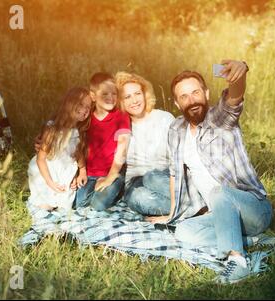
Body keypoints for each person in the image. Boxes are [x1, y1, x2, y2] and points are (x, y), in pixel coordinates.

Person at [147, 60, 273, 284]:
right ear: (176, 103)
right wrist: (172, 213)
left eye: (195, 92)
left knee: (219, 192)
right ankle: (252, 242)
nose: (191, 100)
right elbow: (176, 173)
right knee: (183, 232)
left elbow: (234, 98)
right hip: (220, 214)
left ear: (206, 93)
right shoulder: (176, 129)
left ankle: (238, 262)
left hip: (253, 210)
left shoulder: (220, 119)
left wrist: (240, 73)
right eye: (184, 96)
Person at [115, 72, 174, 216]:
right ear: (120, 102)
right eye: (127, 97)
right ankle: (190, 208)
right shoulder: (121, 128)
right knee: (138, 198)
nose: (134, 100)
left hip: (165, 177)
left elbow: (178, 156)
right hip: (135, 183)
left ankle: (183, 206)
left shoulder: (164, 119)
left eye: (137, 94)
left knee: (152, 177)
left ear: (145, 94)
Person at [74, 72, 131, 210]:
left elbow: (122, 148)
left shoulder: (120, 116)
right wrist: (81, 172)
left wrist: (110, 177)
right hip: (90, 174)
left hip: (113, 172)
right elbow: (75, 141)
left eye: (114, 94)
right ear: (93, 96)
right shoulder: (86, 116)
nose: (110, 98)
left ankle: (119, 191)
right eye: (105, 94)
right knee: (79, 204)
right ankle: (100, 191)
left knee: (98, 205)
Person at [27, 87, 91, 211]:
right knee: (45, 206)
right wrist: (49, 182)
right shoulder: (53, 128)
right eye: (81, 104)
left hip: (65, 171)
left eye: (88, 107)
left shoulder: (79, 131)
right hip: (47, 171)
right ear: (69, 103)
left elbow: (78, 154)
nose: (84, 110)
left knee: (65, 207)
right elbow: (41, 159)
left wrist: (81, 171)